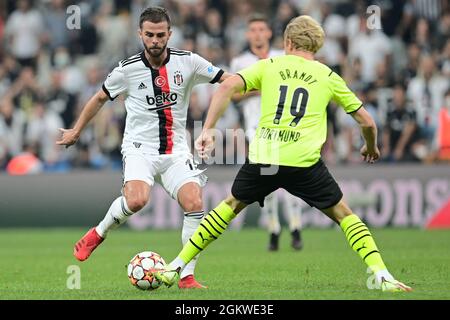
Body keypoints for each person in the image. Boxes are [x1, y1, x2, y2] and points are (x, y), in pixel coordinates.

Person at [155, 15, 412, 293]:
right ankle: (382, 275)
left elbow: (227, 86)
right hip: (304, 162)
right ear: (317, 46)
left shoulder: (270, 66)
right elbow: (367, 122)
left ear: (288, 42)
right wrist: (370, 146)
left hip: (265, 158)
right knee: (343, 214)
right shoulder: (328, 76)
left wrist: (208, 129)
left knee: (229, 207)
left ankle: (176, 266)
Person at [56, 7, 230, 289]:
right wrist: (76, 130)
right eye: (149, 35)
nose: (155, 40)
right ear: (140, 34)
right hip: (139, 148)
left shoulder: (189, 62)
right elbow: (99, 98)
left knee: (195, 203)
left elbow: (228, 80)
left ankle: (186, 276)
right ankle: (98, 233)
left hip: (175, 151)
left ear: (169, 35)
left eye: (161, 35)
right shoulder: (127, 69)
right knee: (137, 200)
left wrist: (253, 85)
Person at [230, 14, 303, 251]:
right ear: (248, 34)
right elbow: (233, 94)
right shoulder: (240, 62)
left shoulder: (283, 57)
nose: (258, 34)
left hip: (285, 126)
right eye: (253, 30)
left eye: (262, 29)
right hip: (256, 128)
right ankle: (274, 228)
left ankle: (295, 227)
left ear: (270, 33)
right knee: (270, 178)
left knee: (290, 177)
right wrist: (259, 89)